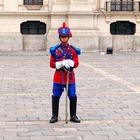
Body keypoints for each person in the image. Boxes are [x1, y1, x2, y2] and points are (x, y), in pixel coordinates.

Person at [49, 22, 81, 123]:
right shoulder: (55, 50)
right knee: (55, 95)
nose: (64, 38)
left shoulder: (73, 50)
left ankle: (73, 115)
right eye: (62, 37)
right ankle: (54, 115)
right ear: (59, 37)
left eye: (65, 36)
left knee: (72, 95)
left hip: (70, 76)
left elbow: (76, 63)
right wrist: (61, 63)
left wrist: (71, 63)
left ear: (68, 37)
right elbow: (51, 64)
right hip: (58, 77)